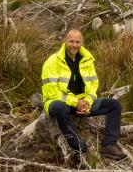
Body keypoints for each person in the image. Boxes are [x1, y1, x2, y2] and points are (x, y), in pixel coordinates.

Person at [42, 29, 127, 161]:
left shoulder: (87, 59)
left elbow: (93, 86)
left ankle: (109, 145)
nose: (74, 45)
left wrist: (86, 101)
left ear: (82, 43)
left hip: (82, 102)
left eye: (77, 42)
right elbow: (51, 93)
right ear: (65, 41)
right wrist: (76, 103)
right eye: (71, 41)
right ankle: (80, 149)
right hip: (59, 102)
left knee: (113, 105)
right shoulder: (52, 62)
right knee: (60, 108)